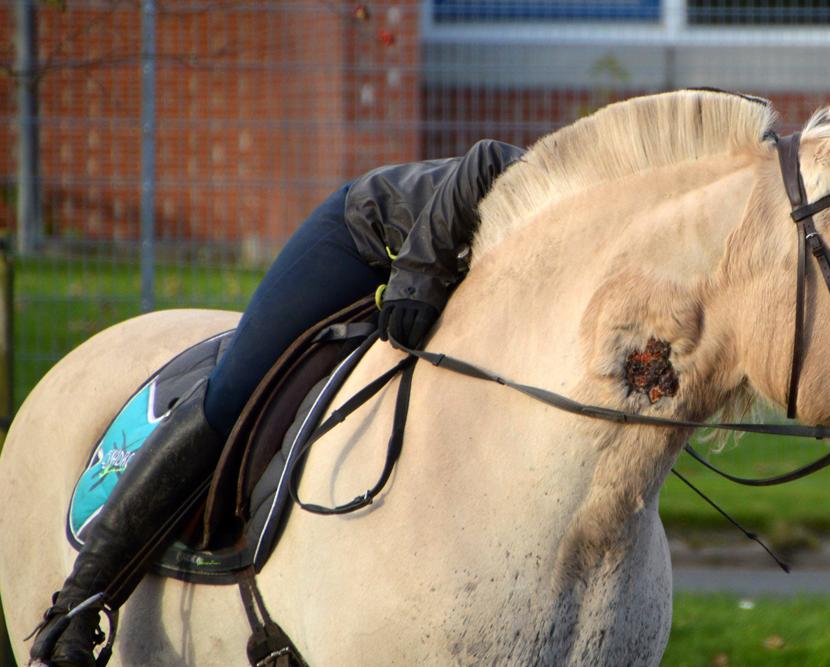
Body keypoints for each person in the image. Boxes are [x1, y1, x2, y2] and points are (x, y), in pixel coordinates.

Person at [29, 139, 525, 667]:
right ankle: (77, 606)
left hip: (415, 265)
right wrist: (420, 273)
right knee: (231, 394)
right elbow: (488, 159)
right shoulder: (573, 183)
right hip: (359, 238)